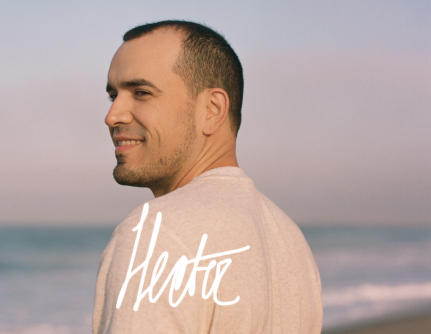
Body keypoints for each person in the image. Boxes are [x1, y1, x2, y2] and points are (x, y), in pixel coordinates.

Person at [93, 20, 322, 333]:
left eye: (141, 92)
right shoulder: (290, 241)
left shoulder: (156, 234)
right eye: (113, 96)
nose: (112, 115)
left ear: (212, 109)